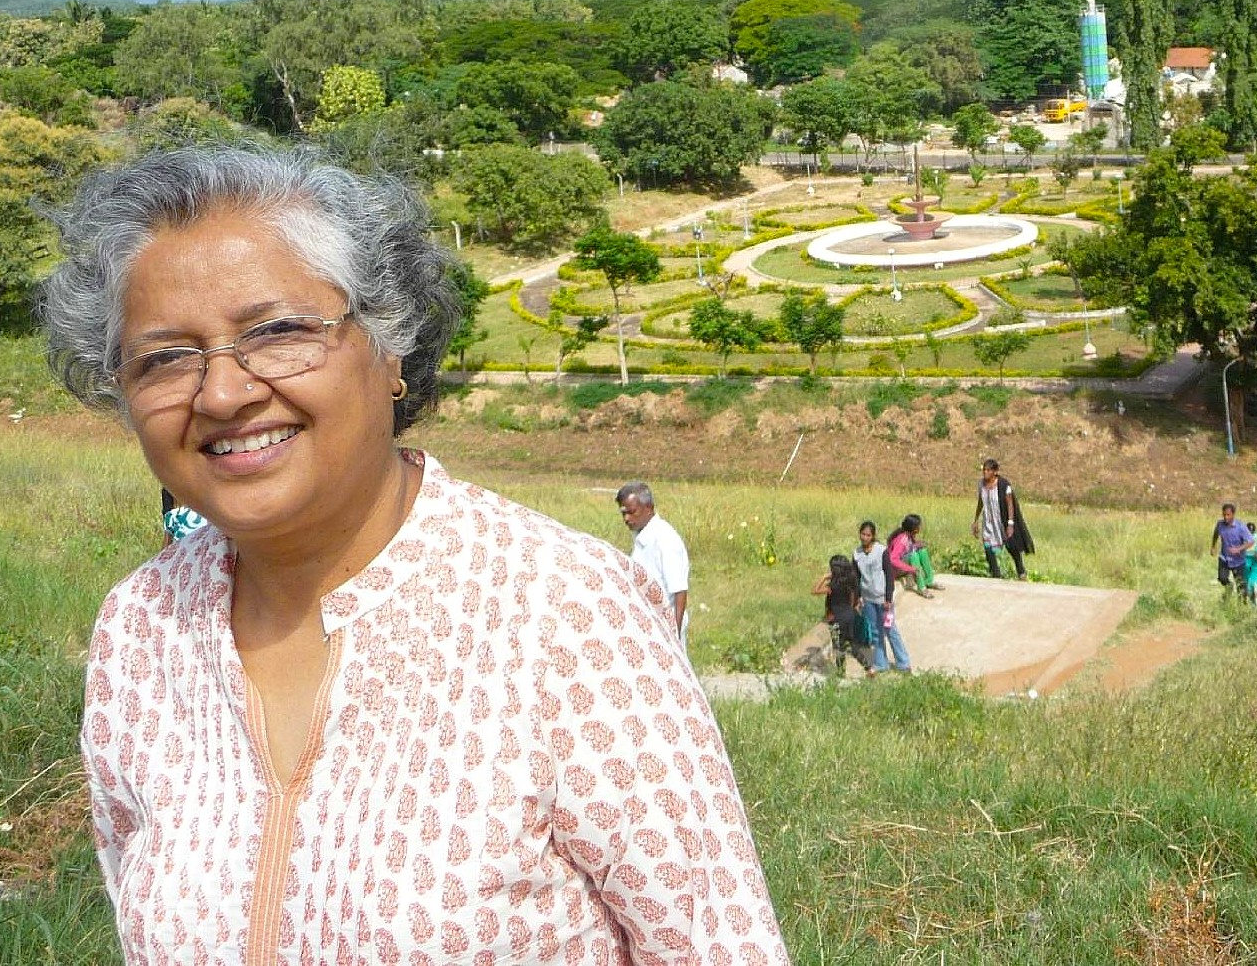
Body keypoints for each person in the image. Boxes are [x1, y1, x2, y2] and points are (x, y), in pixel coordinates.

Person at [40, 147, 786, 962]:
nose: (222, 392)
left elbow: (719, 942)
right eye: (167, 358)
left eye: (279, 331)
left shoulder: (565, 613)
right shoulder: (139, 631)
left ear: (389, 346)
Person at [617, 480, 689, 644]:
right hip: (646, 622)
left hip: (665, 626)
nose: (626, 519)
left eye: (631, 512)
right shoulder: (642, 537)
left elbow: (679, 591)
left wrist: (674, 635)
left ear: (648, 508)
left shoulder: (665, 540)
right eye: (623, 513)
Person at [972, 458, 1033, 580]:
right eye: (984, 470)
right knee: (988, 547)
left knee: (1012, 547)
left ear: (995, 472)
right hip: (989, 521)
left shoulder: (1003, 485)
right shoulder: (981, 485)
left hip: (1002, 520)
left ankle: (1021, 572)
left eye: (988, 470)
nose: (985, 472)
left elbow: (1010, 504)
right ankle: (996, 575)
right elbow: (981, 501)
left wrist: (1010, 523)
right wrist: (976, 519)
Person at [871, 516, 918, 674]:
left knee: (890, 629)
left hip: (884, 601)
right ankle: (880, 664)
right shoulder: (863, 556)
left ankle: (903, 663)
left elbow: (889, 579)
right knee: (877, 632)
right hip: (871, 600)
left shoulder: (882, 554)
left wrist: (888, 600)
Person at [815, 553, 871, 673]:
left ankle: (841, 672)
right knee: (851, 642)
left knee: (839, 647)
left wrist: (824, 577)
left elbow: (815, 590)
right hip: (849, 616)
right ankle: (868, 667)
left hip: (836, 619)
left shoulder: (832, 587)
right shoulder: (849, 584)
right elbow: (852, 601)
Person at [1209, 503, 1256, 590]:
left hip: (1238, 560)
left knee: (1241, 588)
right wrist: (1213, 546)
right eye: (1224, 515)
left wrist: (1238, 549)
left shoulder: (1240, 527)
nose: (1226, 517)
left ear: (1233, 514)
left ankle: (1242, 603)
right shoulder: (1220, 524)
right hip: (1224, 558)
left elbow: (1251, 541)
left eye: (1228, 515)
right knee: (1222, 578)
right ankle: (1229, 586)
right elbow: (1216, 534)